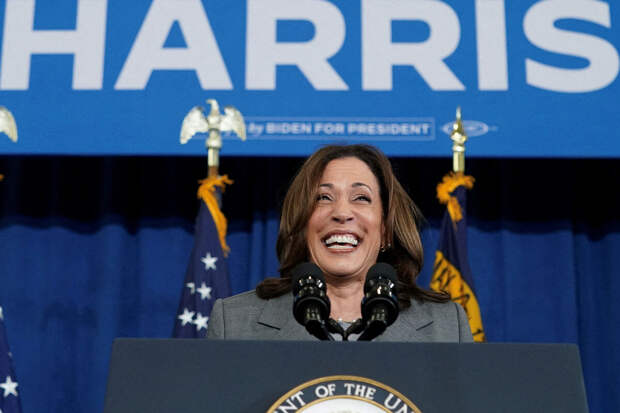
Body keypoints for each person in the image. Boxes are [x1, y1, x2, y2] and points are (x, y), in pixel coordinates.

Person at [207, 144, 473, 342]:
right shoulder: (235, 325)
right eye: (323, 198)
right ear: (302, 225)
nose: (342, 213)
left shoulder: (446, 327)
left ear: (386, 229)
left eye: (361, 198)